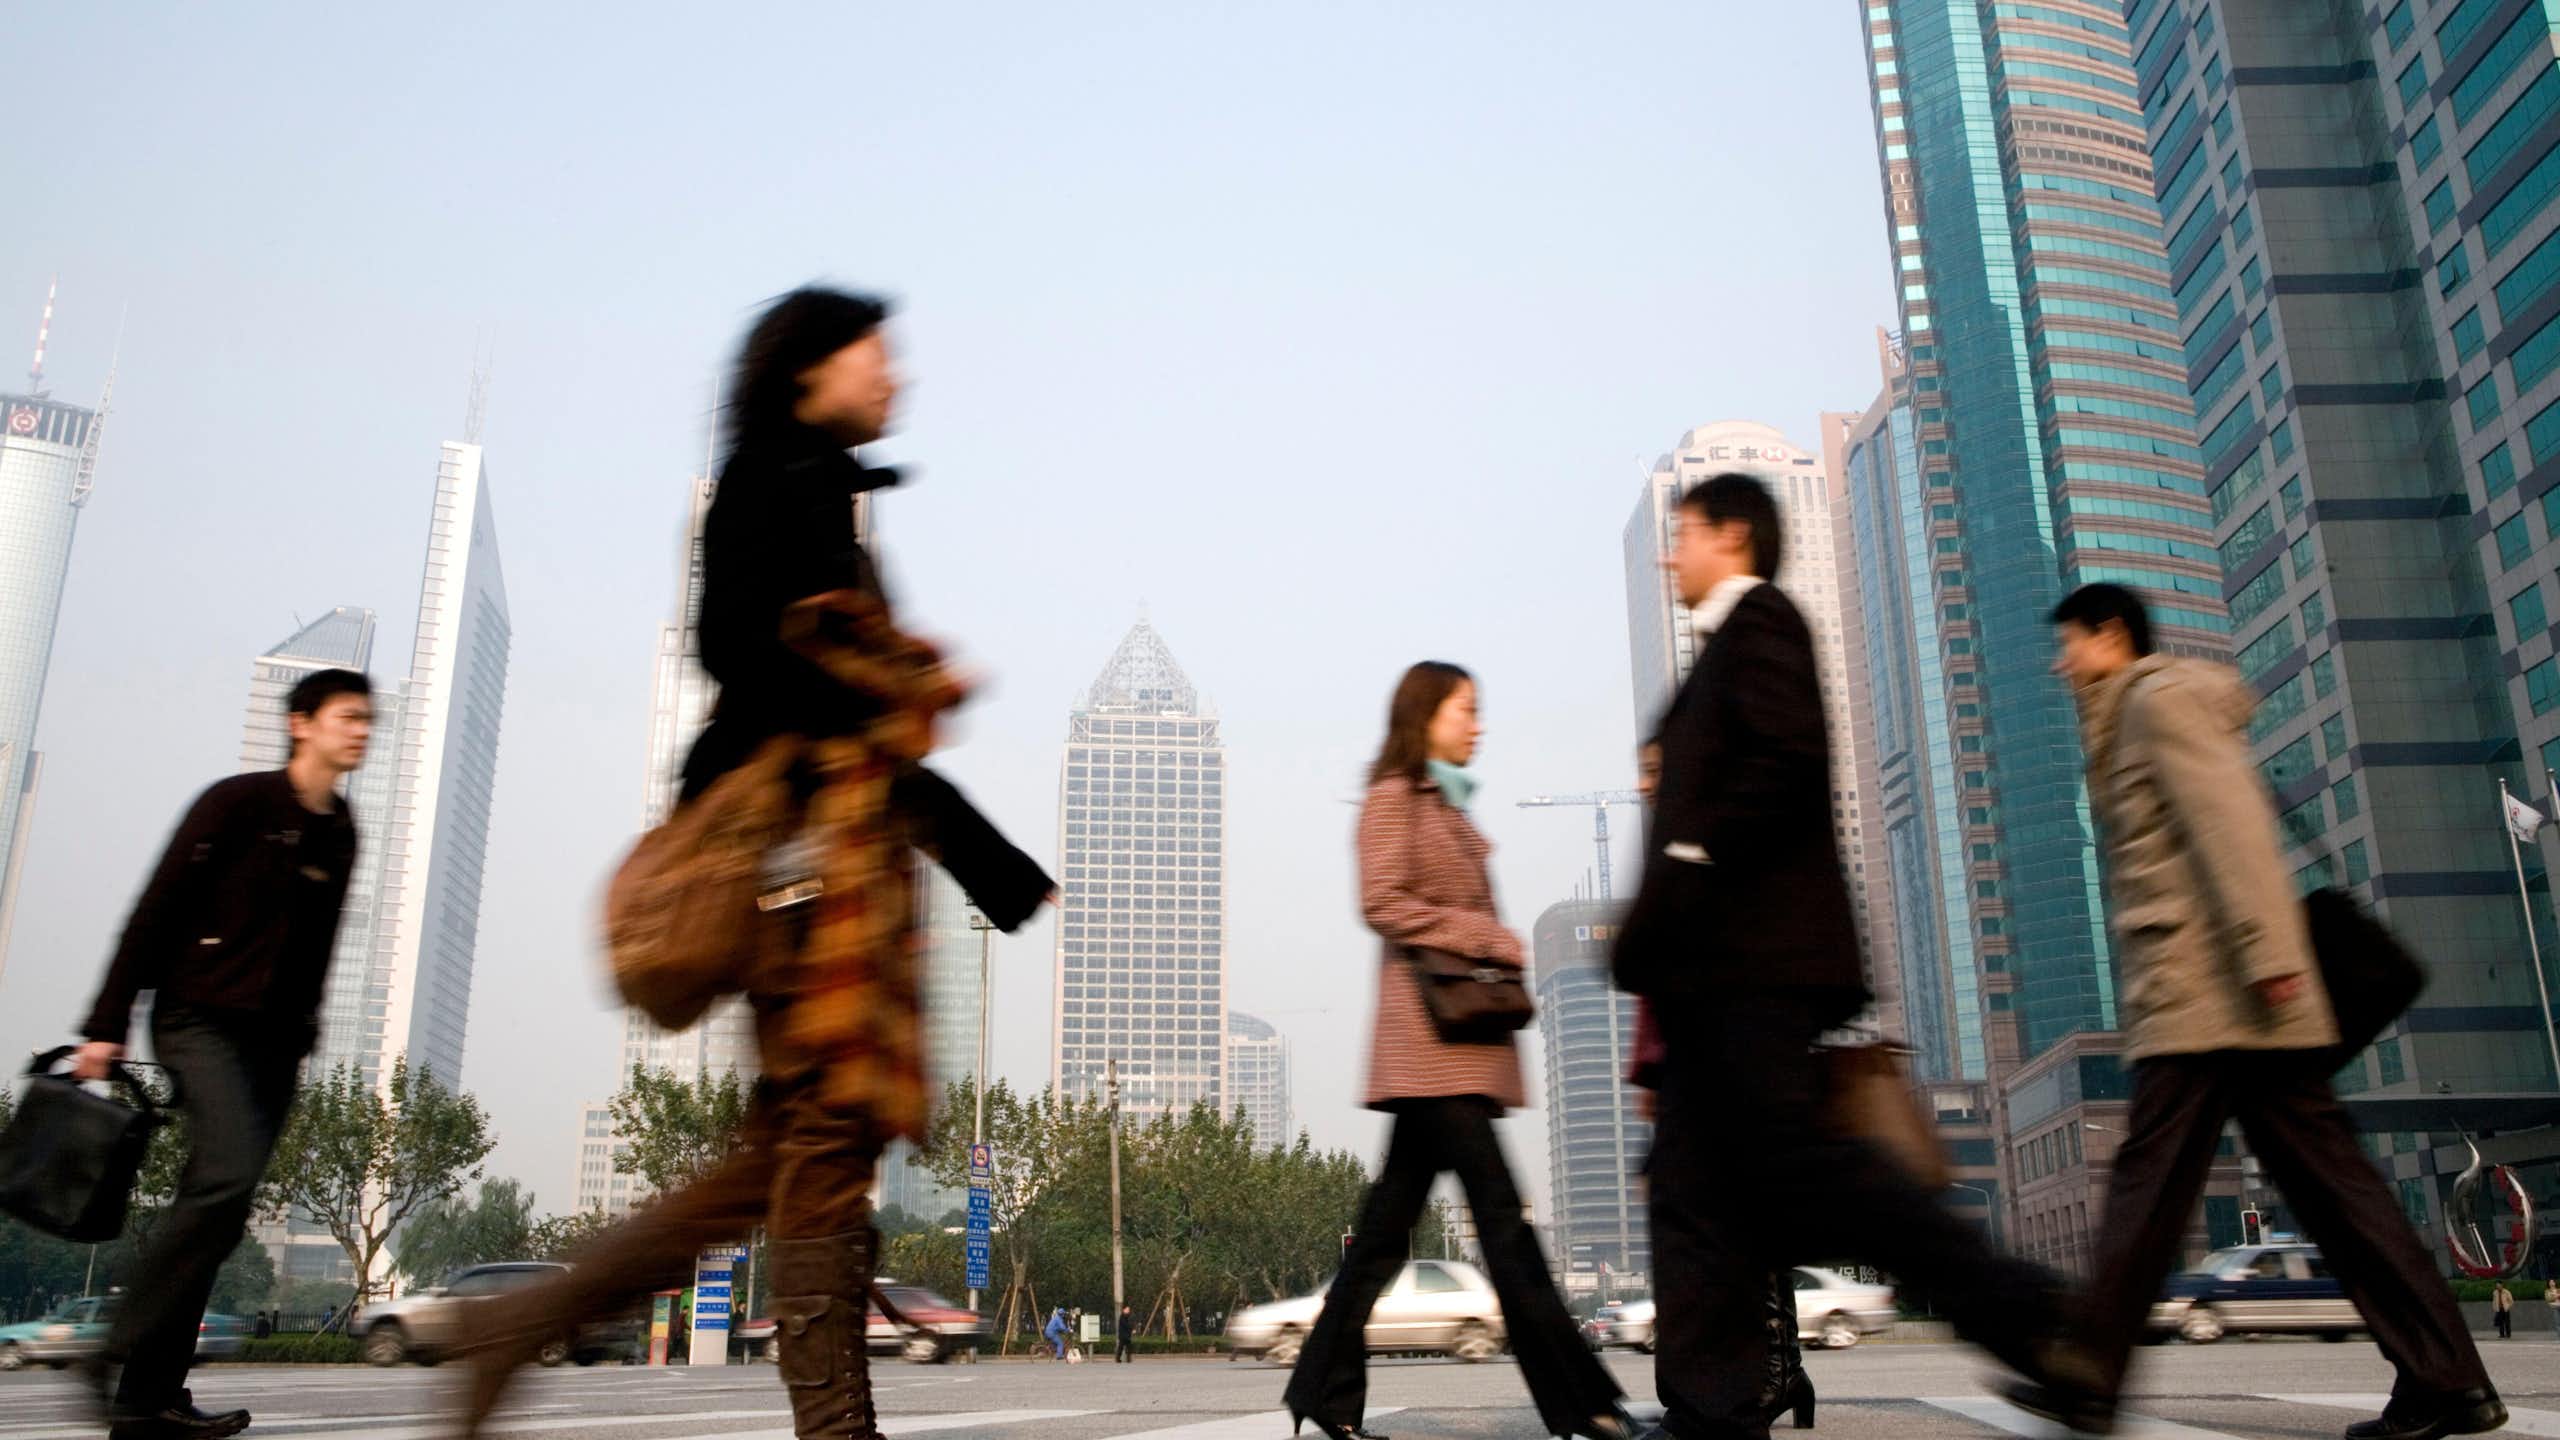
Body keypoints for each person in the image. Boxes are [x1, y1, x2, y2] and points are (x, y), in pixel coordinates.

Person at [457, 289, 1052, 1440]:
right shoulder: (783, 477)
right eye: (876, 357)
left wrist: (979, 852)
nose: (897, 379)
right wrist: (897, 700)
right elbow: (743, 654)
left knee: (779, 1157)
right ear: (807, 370)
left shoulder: (811, 483)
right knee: (824, 1148)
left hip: (828, 854)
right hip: (813, 874)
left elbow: (841, 717)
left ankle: (518, 1325)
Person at [1613, 475, 2078, 1440]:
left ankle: (2037, 1322)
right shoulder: (1718, 651)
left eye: (1684, 534)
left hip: (1758, 963)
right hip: (1711, 975)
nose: (1672, 554)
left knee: (1820, 1178)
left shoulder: (1765, 623)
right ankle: (1710, 1406)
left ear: (1733, 536)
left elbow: (1785, 762)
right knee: (1695, 1195)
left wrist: (1691, 861)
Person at [2004, 582, 2503, 1440]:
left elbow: (2229, 826)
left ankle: (2087, 1375)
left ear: (2113, 634)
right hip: (2223, 998)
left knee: (2147, 1187)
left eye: (2072, 643)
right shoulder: (2134, 712)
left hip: (2216, 996)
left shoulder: (2158, 703)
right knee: (2338, 1199)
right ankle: (2447, 1379)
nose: (2061, 662)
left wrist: (2271, 959)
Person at [1283, 662, 1628, 1440]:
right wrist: (1491, 938)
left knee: (1379, 1240)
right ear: (1425, 716)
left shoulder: (1450, 810)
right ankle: (1587, 1404)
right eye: (1465, 710)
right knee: (1504, 1228)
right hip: (1431, 1047)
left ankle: (1323, 1391)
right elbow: (1381, 902)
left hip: (1458, 1047)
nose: (1478, 725)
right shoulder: (1393, 799)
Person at [71, 669, 373, 1440]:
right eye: (347, 717)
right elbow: (155, 910)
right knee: (226, 1177)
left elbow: (318, 950)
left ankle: (147, 1402)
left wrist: (303, 1038)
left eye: (368, 720)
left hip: (275, 1044)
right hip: (196, 1018)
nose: (361, 731)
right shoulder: (236, 803)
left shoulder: (341, 828)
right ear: (301, 722)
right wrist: (106, 1023)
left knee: (221, 1207)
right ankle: (112, 1346)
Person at [1627, 739, 1810, 1432]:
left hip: (1717, 1057)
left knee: (1702, 1239)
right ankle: (1771, 1377)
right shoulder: (1679, 835)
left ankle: (1722, 1396)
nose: (1645, 784)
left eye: (1654, 769)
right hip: (1695, 1059)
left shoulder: (1701, 835)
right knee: (1729, 1231)